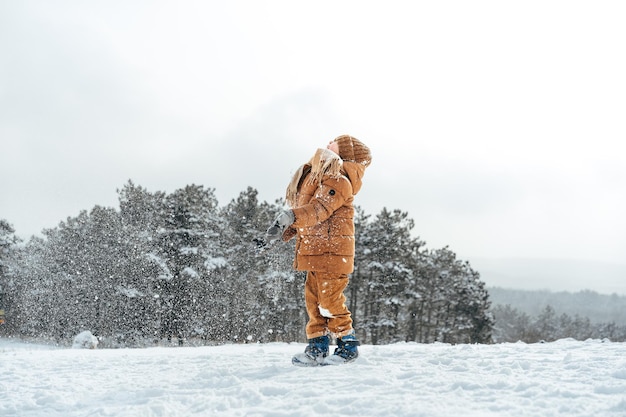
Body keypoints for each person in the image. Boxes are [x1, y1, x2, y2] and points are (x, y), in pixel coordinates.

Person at [264, 134, 372, 366]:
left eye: (336, 141)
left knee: (330, 301)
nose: (329, 142)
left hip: (332, 253)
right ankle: (317, 347)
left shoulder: (339, 180)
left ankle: (347, 346)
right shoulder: (322, 176)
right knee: (314, 302)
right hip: (317, 251)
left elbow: (318, 210)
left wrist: (290, 216)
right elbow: (309, 216)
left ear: (344, 152)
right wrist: (282, 230)